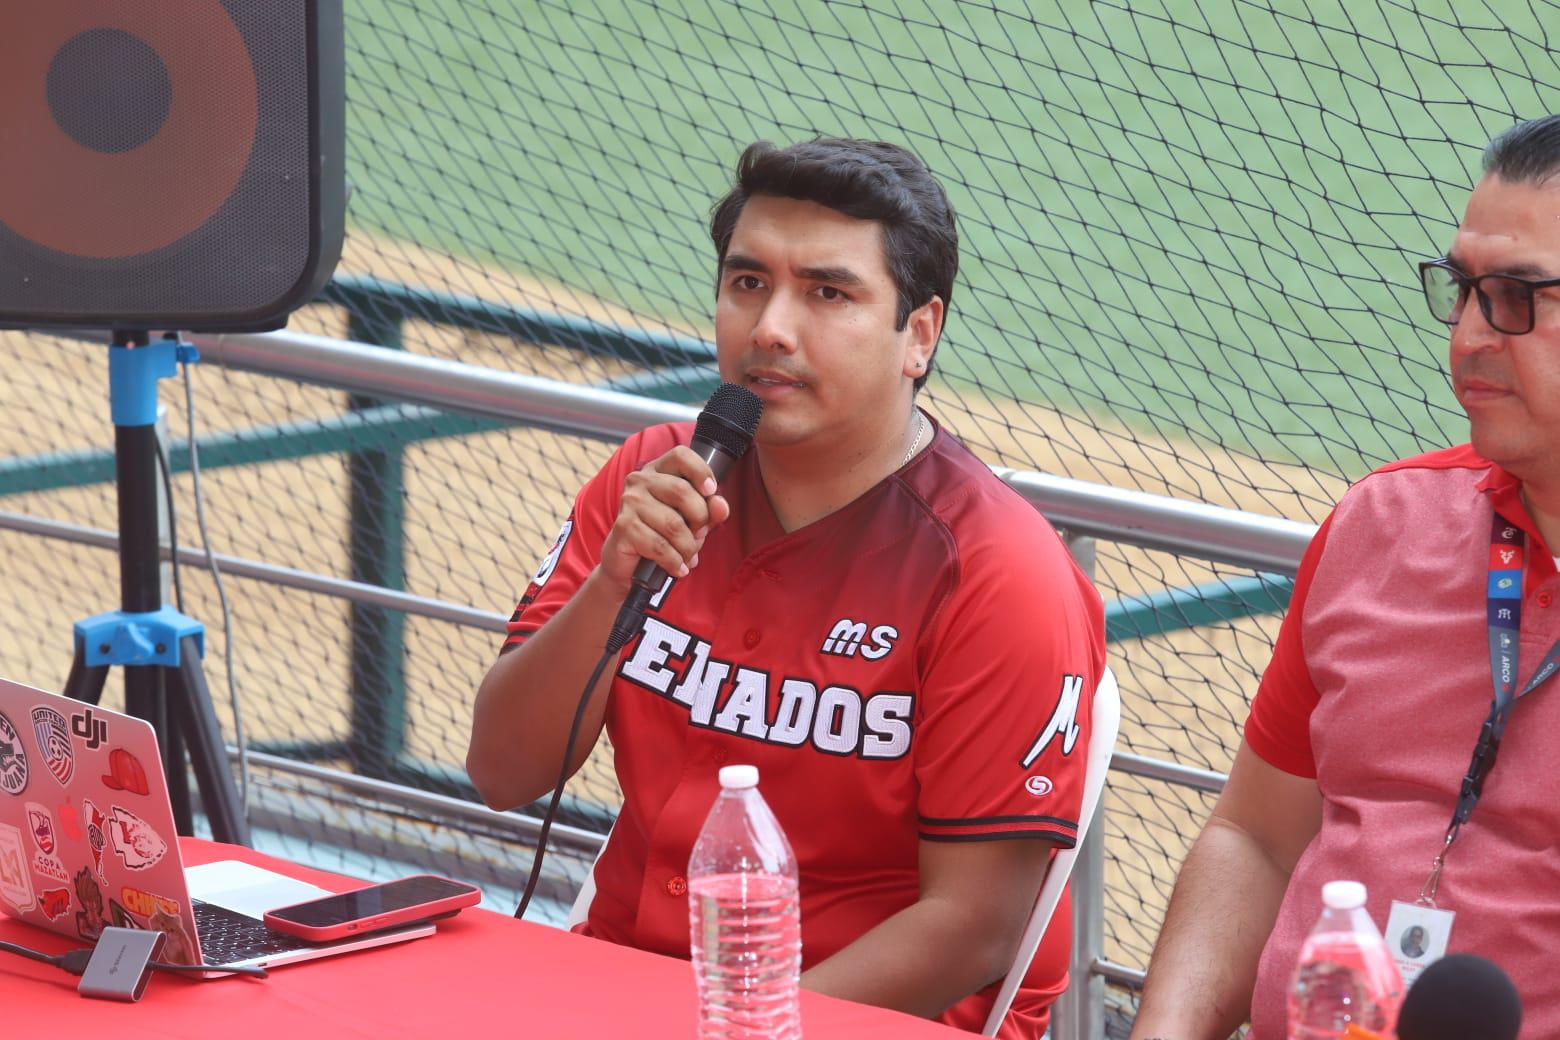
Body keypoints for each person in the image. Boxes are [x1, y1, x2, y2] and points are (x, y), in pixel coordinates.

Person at [468, 136, 1106, 1037]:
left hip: (861, 1021)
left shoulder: (999, 572)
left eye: (828, 292)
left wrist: (740, 1026)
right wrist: (613, 583)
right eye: (747, 283)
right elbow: (502, 771)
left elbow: (973, 927)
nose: (770, 326)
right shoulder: (653, 481)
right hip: (628, 987)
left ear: (917, 334)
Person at [1130, 113, 1560, 1039]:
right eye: (1463, 288)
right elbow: (1257, 836)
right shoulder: (1381, 522)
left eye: (1520, 296)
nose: (1473, 336)